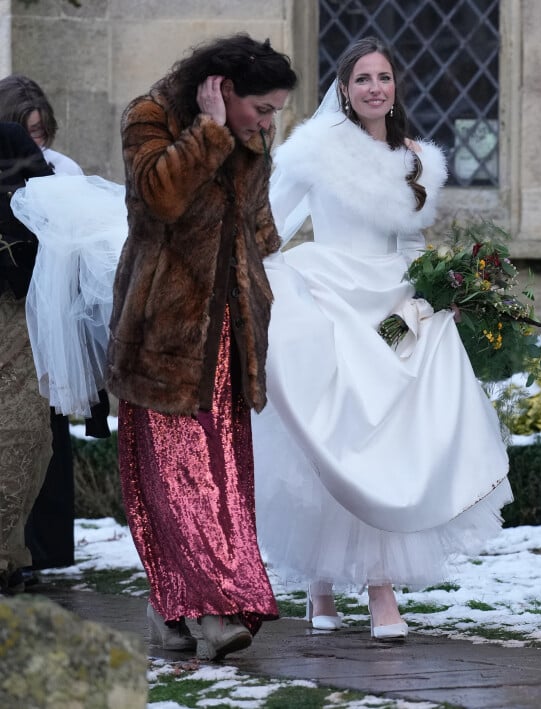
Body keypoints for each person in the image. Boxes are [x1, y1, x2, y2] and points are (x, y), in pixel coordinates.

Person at [252, 37, 513, 640]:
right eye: (362, 78)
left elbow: (411, 244)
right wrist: (277, 291)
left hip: (393, 309)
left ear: (396, 87)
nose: (375, 87)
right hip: (331, 301)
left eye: (384, 77)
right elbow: (268, 224)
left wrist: (434, 291)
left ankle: (372, 585)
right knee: (334, 438)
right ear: (344, 89)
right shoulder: (315, 152)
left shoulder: (419, 159)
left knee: (387, 443)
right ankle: (335, 588)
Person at [105, 34, 297, 658]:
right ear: (221, 88)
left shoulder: (249, 137)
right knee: (172, 477)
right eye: (261, 109)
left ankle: (178, 610)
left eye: (274, 112)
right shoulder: (150, 116)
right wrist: (211, 133)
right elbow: (155, 200)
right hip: (163, 331)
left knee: (221, 479)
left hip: (230, 331)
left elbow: (257, 225)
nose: (268, 123)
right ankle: (211, 610)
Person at [0, 74, 109, 580]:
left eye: (42, 130)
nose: (36, 139)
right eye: (27, 130)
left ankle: (39, 548)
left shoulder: (60, 174)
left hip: (44, 316)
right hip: (11, 306)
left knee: (39, 433)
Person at [0, 121, 54, 594]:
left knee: (24, 436)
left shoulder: (11, 142)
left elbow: (45, 213)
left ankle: (8, 554)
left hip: (18, 309)